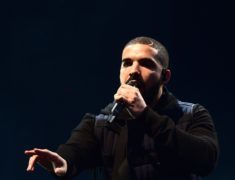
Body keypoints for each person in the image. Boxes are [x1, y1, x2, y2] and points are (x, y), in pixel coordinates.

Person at [25, 36, 219, 180]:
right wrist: (62, 163)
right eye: (127, 63)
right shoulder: (100, 123)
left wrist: (145, 115)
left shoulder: (192, 114)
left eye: (145, 64)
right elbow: (74, 152)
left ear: (165, 76)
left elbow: (206, 160)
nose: (134, 70)